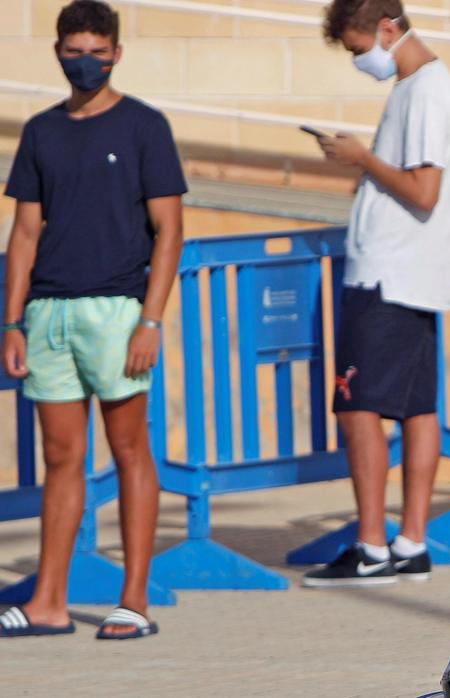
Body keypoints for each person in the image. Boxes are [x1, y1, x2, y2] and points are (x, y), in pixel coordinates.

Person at [0, 0, 185, 640]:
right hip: (48, 314)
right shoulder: (42, 131)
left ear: (116, 53)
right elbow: (24, 233)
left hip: (117, 312)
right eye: (75, 51)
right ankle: (49, 601)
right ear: (57, 52)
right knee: (61, 457)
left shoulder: (144, 126)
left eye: (97, 52)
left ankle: (133, 599)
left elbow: (169, 231)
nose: (86, 63)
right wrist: (13, 321)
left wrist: (150, 321)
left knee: (130, 449)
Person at [301, 0, 450, 587]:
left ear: (388, 29)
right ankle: (410, 541)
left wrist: (361, 157)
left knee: (357, 405)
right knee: (418, 408)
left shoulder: (424, 89)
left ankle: (372, 544)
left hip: (390, 274)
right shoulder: (421, 86)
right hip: (414, 273)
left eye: (356, 48)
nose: (358, 61)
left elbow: (423, 191)